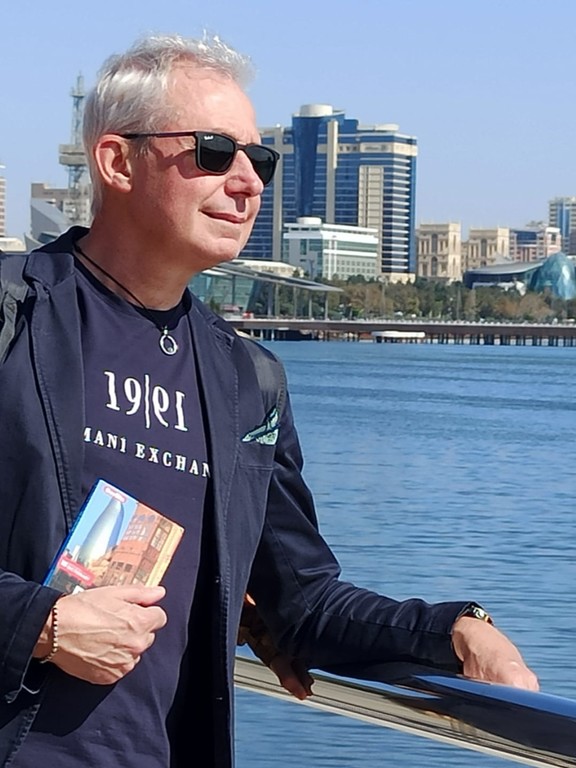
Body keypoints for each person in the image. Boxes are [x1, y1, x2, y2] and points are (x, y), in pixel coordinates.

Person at [0, 32, 538, 768]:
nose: (249, 181)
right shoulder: (15, 318)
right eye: (215, 152)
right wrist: (41, 624)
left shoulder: (245, 378)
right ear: (117, 162)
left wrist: (455, 630)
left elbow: (303, 602)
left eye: (261, 160)